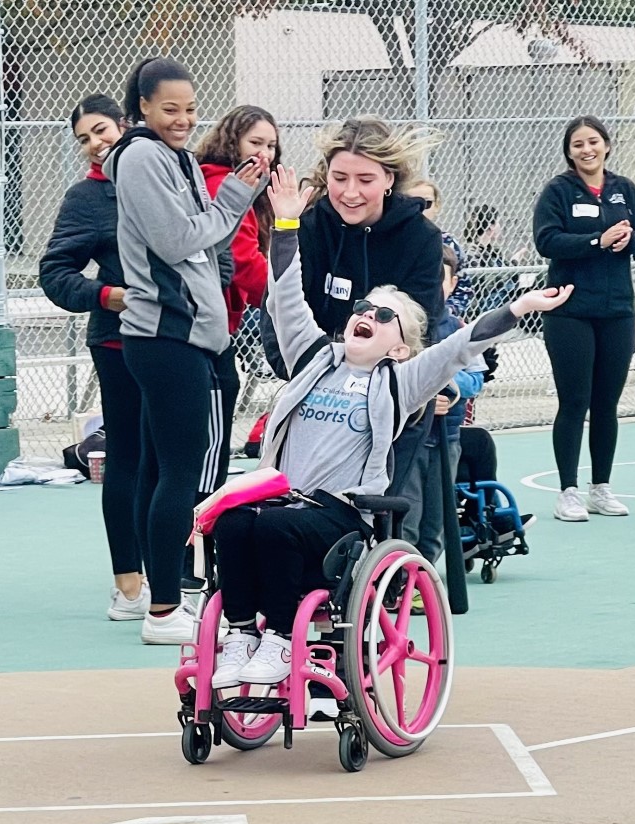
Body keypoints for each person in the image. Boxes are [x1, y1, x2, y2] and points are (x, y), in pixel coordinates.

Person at [213, 166, 572, 686]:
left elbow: (460, 347)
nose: (369, 315)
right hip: (281, 500)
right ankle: (243, 633)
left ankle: (278, 641)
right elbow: (286, 296)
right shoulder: (313, 355)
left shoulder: (399, 382)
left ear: (401, 347)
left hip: (338, 518)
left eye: (386, 317)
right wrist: (286, 224)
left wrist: (521, 307)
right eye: (365, 308)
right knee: (235, 520)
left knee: (270, 524)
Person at [103, 57, 267, 644]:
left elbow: (207, 232)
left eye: (191, 110)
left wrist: (231, 198)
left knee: (158, 469)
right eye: (170, 109)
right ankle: (165, 611)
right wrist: (238, 195)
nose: (183, 120)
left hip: (182, 336)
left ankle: (161, 599)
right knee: (178, 471)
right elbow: (180, 239)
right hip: (166, 336)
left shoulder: (173, 157)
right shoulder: (144, 157)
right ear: (143, 107)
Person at [39, 94, 147, 622]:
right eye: (84, 138)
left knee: (177, 460)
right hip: (118, 343)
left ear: (126, 126)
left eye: (102, 130)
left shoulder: (170, 178)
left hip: (180, 341)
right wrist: (110, 295)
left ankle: (179, 578)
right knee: (128, 454)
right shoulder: (85, 198)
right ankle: (129, 585)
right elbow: (55, 274)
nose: (96, 143)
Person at [532, 114, 635, 522]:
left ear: (606, 144)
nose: (587, 150)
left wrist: (628, 240)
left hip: (617, 311)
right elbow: (547, 240)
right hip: (569, 312)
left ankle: (600, 488)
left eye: (593, 142)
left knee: (607, 404)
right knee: (575, 401)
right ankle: (567, 490)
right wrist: (595, 241)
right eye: (578, 145)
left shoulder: (625, 190)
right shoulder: (558, 191)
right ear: (569, 152)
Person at [259, 116, 445, 379]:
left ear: (388, 179)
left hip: (390, 385)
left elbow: (421, 332)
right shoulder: (308, 230)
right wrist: (331, 378)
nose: (350, 192)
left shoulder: (421, 238)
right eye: (340, 178)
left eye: (366, 180)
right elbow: (278, 320)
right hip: (315, 381)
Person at [195, 105, 282, 497]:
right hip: (206, 329)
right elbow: (245, 260)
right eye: (255, 143)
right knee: (207, 449)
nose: (264, 153)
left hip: (219, 322)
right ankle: (197, 541)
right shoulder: (224, 184)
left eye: (271, 145)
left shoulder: (250, 188)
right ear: (233, 142)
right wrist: (288, 298)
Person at [401, 244, 486, 566]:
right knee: (407, 511)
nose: (434, 285)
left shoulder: (460, 328)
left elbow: (475, 378)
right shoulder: (403, 326)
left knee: (435, 516)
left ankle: (424, 579)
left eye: (442, 278)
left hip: (446, 439)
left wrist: (447, 385)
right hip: (409, 439)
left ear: (453, 283)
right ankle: (399, 578)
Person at [406, 178, 472, 318]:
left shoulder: (448, 243)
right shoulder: (391, 240)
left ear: (437, 206)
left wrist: (446, 314)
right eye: (410, 202)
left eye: (427, 203)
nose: (419, 208)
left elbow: (464, 288)